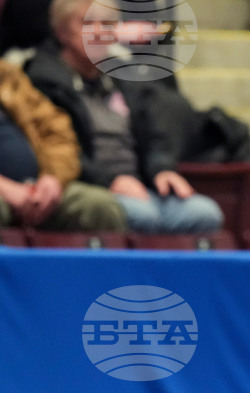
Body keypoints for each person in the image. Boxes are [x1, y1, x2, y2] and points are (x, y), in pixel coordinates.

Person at [23, 0, 224, 235]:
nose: (98, 32)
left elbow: (154, 132)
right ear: (62, 31)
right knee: (143, 216)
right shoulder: (45, 80)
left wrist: (162, 169)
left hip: (139, 185)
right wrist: (111, 181)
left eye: (107, 24)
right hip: (89, 187)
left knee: (204, 213)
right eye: (87, 24)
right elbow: (56, 148)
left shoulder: (125, 75)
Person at [0, 59, 126, 233]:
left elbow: (57, 132)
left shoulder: (6, 75)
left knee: (100, 206)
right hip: (5, 192)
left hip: (35, 188)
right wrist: (5, 188)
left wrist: (52, 178)